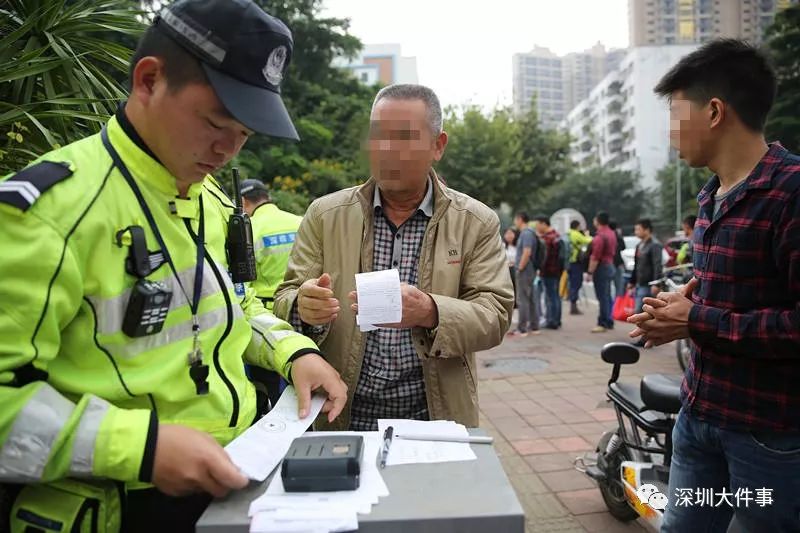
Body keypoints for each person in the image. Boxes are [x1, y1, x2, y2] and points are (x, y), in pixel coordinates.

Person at [0, 1, 348, 530]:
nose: (229, 149)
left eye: (246, 135)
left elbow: (234, 304)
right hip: (114, 505)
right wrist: (141, 446)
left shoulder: (210, 201)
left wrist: (291, 351)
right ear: (148, 80)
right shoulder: (50, 212)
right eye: (215, 123)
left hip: (225, 489)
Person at [628, 39, 800, 533]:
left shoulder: (790, 192)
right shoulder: (712, 194)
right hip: (699, 416)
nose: (671, 133)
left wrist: (696, 320)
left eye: (676, 114)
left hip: (766, 435)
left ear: (715, 111)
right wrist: (684, 304)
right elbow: (739, 279)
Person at [273, 84, 513, 432]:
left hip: (433, 415)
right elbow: (283, 298)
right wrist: (303, 308)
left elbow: (496, 313)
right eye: (378, 136)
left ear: (437, 145)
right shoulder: (326, 215)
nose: (387, 150)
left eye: (404, 137)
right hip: (341, 412)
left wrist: (430, 311)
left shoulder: (474, 221)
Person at [240, 179, 303, 312]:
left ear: (243, 202)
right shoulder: (300, 221)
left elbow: (242, 284)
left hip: (267, 312)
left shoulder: (247, 228)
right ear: (267, 197)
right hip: (302, 307)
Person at [510, 212, 541, 337]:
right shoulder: (530, 233)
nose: (514, 222)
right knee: (531, 298)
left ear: (520, 219)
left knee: (522, 299)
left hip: (525, 270)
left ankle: (522, 328)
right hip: (530, 270)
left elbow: (526, 252)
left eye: (515, 219)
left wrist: (519, 267)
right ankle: (534, 326)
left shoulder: (526, 233)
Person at [587, 211, 616, 332]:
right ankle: (609, 320)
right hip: (610, 265)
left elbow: (595, 256)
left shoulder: (600, 237)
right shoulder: (611, 233)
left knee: (602, 296)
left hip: (601, 267)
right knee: (607, 295)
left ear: (598, 221)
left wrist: (589, 272)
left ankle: (602, 322)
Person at [627, 218, 663, 314]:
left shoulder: (655, 245)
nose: (636, 232)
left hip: (649, 285)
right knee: (641, 313)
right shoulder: (639, 245)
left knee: (641, 312)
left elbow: (657, 265)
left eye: (638, 229)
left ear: (647, 230)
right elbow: (637, 265)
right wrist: (632, 281)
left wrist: (656, 283)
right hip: (640, 283)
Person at [534, 215, 564, 329]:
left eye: (538, 224)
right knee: (556, 296)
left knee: (550, 297)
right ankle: (557, 319)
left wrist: (539, 268)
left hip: (548, 271)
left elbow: (544, 257)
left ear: (543, 224)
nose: (537, 227)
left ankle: (552, 321)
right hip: (557, 271)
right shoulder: (556, 235)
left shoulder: (547, 238)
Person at [567, 220, 592, 315]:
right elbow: (588, 240)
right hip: (575, 262)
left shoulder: (568, 233)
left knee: (572, 284)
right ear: (577, 226)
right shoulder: (576, 234)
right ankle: (573, 306)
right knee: (576, 284)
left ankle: (573, 305)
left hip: (569, 262)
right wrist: (587, 235)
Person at [609, 221, 626, 297]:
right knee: (619, 286)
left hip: (609, 263)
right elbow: (623, 247)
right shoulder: (617, 236)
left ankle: (612, 304)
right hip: (617, 263)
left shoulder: (607, 236)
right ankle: (617, 304)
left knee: (608, 287)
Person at [504, 227, 519, 307]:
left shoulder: (518, 246)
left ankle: (516, 302)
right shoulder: (502, 245)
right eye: (507, 233)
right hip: (505, 269)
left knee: (516, 286)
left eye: (511, 233)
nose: (509, 235)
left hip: (515, 268)